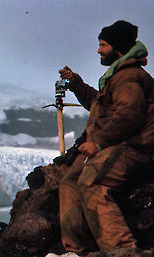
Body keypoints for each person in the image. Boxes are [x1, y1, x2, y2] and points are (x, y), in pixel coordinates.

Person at [57, 20, 154, 256]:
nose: (98, 50)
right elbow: (100, 105)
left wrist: (98, 142)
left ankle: (122, 250)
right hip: (116, 144)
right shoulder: (117, 76)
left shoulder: (129, 77)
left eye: (102, 45)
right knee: (69, 181)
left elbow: (128, 115)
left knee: (92, 180)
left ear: (117, 47)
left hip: (135, 147)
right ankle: (77, 250)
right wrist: (77, 84)